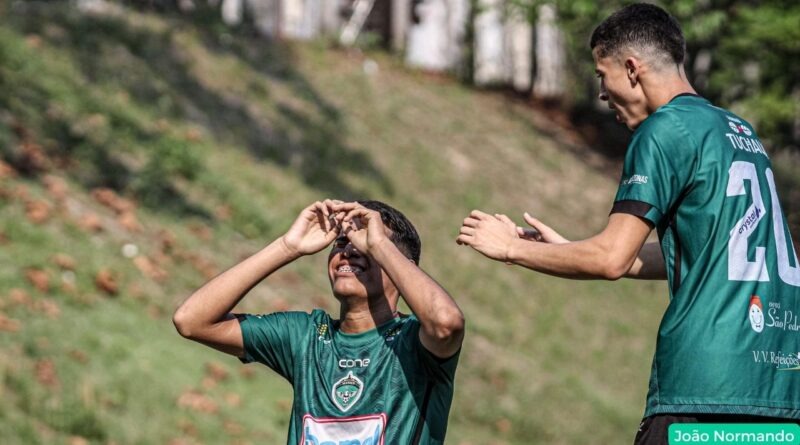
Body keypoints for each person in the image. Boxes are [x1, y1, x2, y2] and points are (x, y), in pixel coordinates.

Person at [456, 3, 800, 443]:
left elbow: (610, 259)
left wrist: (512, 248)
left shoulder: (664, 130)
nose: (601, 93)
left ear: (632, 69)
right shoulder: (740, 132)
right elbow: (711, 251)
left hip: (703, 391)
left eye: (603, 74)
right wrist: (569, 249)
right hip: (777, 392)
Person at [174, 199, 465, 444]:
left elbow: (446, 323)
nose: (348, 250)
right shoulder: (306, 336)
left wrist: (379, 245)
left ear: (400, 266)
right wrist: (288, 247)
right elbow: (192, 321)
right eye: (341, 242)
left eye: (365, 243)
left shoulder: (415, 341)